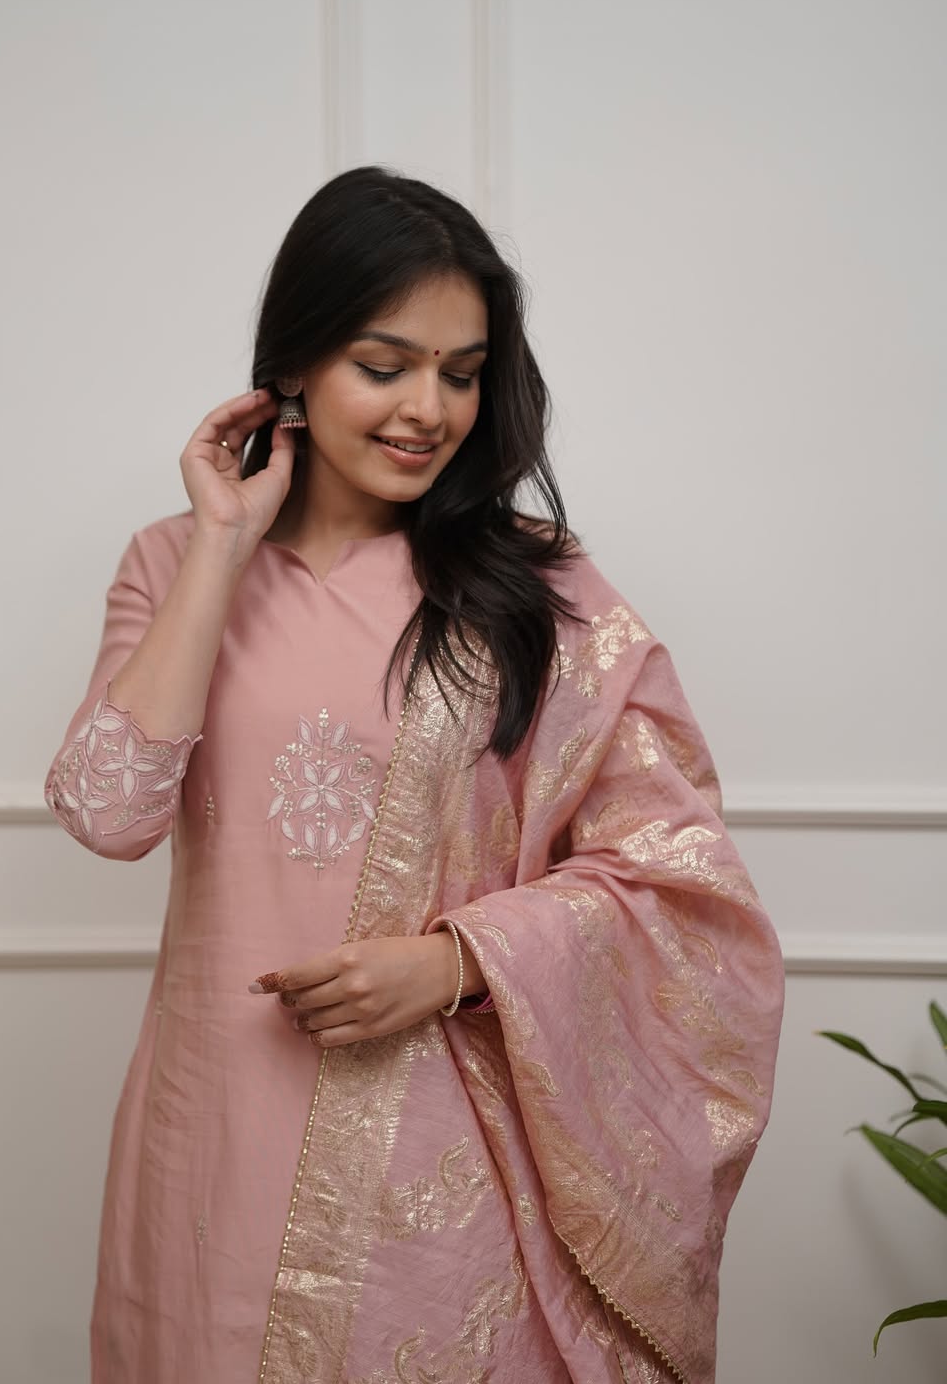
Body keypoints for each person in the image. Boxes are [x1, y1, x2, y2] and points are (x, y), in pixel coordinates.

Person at [44, 165, 784, 1384]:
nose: (427, 409)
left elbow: (681, 881)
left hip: (436, 1137)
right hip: (212, 1130)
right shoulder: (175, 559)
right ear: (296, 362)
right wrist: (225, 545)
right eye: (384, 365)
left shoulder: (537, 592)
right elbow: (110, 811)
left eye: (461, 369)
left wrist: (454, 962)